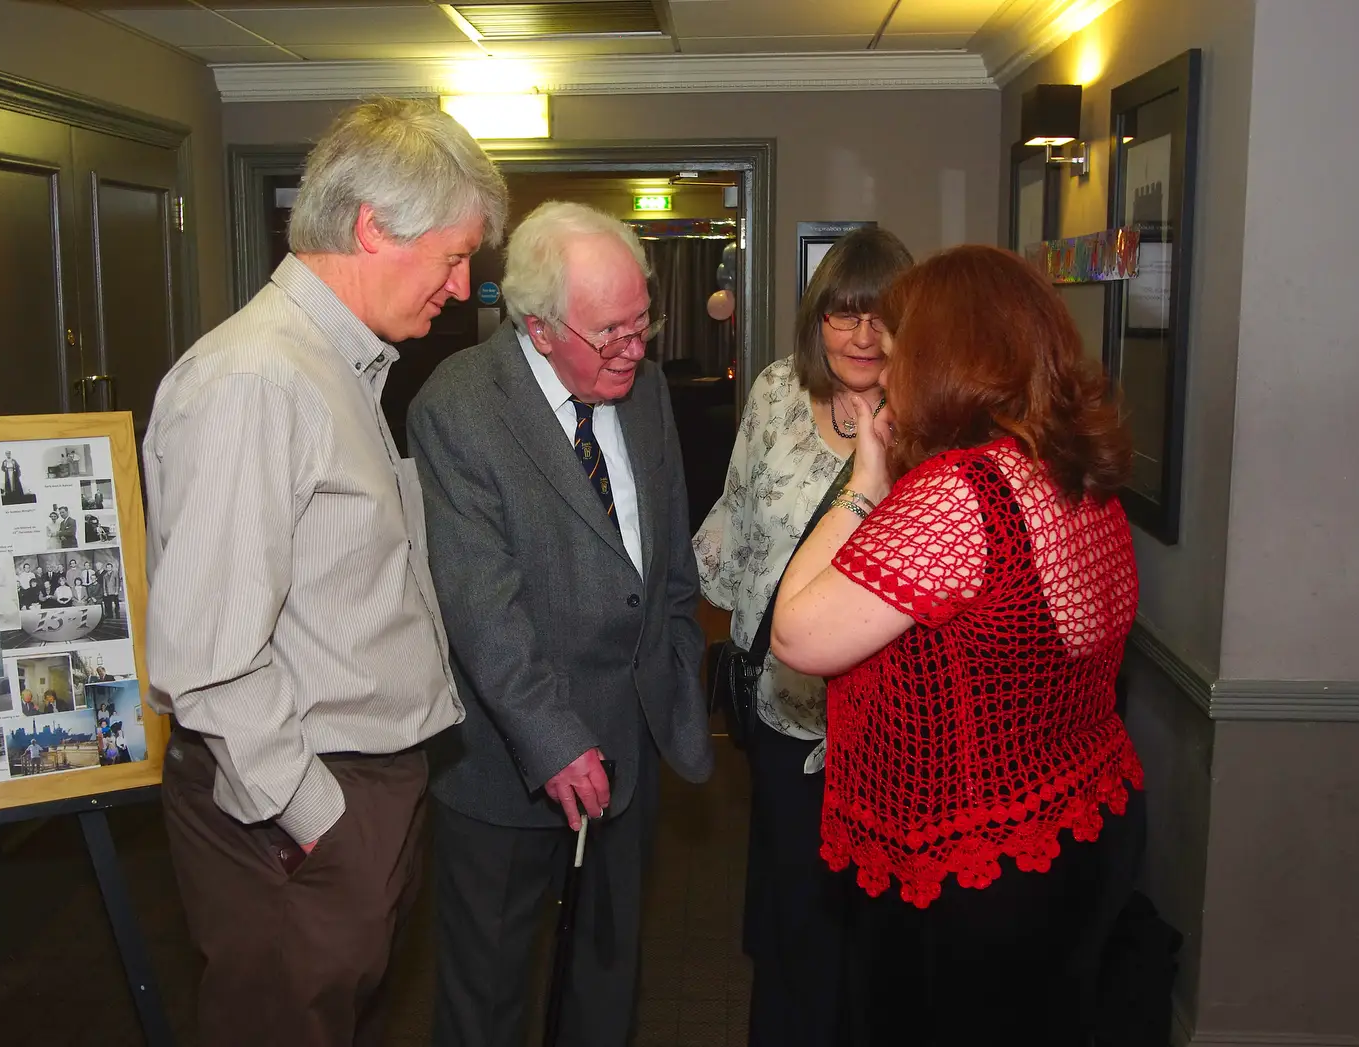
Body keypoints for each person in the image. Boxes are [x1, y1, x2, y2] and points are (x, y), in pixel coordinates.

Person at [143, 96, 505, 1047]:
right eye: (453, 255)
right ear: (374, 226)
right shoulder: (258, 379)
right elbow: (208, 655)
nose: (463, 288)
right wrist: (319, 820)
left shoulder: (338, 366)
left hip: (348, 796)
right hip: (295, 811)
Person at [770, 245, 1144, 1047]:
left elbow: (795, 631)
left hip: (977, 865)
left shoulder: (961, 494)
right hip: (1077, 822)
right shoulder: (1070, 469)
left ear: (945, 356)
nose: (887, 366)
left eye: (902, 348)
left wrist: (866, 479)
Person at [408, 201, 712, 1047]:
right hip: (508, 763)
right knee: (488, 996)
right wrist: (553, 738)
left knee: (607, 979)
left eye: (642, 322)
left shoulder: (644, 389)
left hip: (633, 738)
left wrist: (677, 657)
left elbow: (668, 557)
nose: (634, 348)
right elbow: (478, 601)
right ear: (539, 328)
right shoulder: (459, 406)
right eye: (609, 331)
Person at [693, 227, 912, 1044]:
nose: (862, 336)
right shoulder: (780, 392)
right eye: (843, 315)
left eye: (881, 317)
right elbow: (738, 517)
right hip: (783, 709)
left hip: (887, 729)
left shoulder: (934, 415)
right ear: (816, 319)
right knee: (795, 917)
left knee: (871, 932)